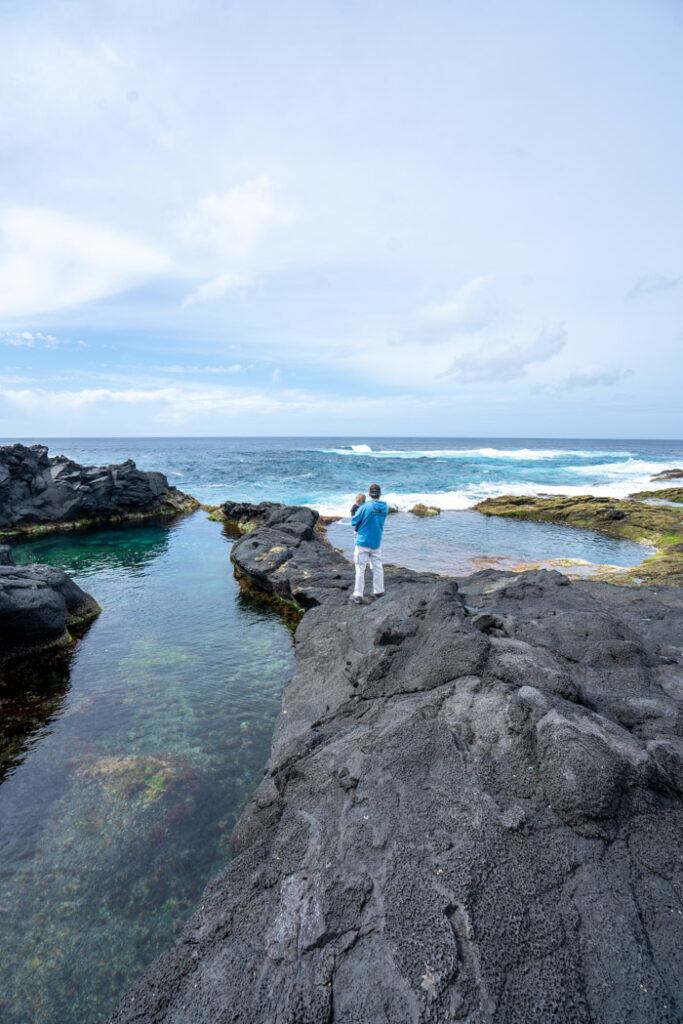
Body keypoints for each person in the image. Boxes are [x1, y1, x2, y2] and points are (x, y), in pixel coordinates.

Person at [350, 482, 388, 604]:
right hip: (376, 541)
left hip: (362, 541)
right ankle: (379, 591)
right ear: (380, 494)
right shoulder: (385, 507)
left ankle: (358, 595)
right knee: (377, 566)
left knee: (360, 568)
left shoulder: (365, 507)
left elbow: (354, 521)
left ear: (369, 494)